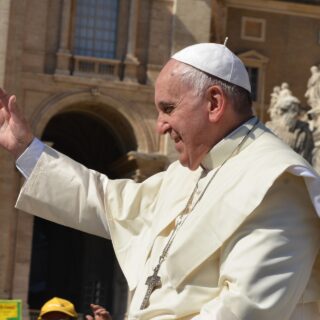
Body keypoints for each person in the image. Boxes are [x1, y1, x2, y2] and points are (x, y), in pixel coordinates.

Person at [1, 43, 320, 319]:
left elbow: (243, 311)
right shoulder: (188, 174)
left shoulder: (279, 182)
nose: (160, 127)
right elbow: (106, 201)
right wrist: (26, 149)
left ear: (214, 103)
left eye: (168, 109)